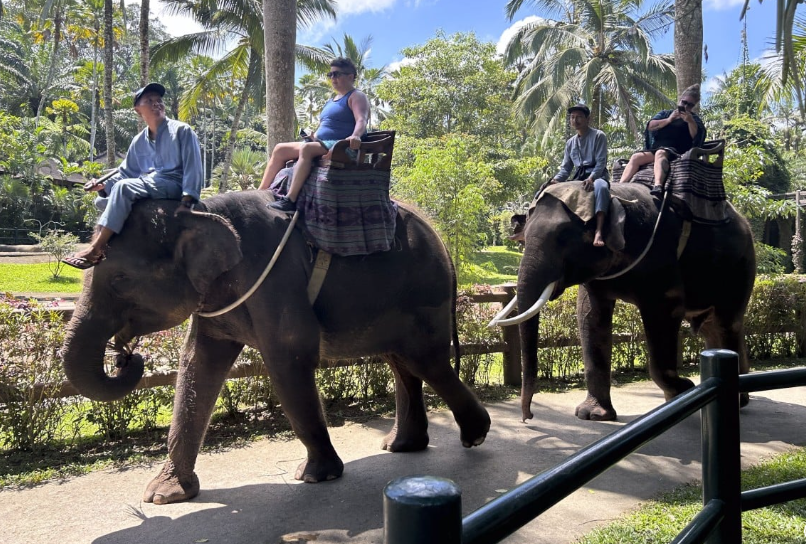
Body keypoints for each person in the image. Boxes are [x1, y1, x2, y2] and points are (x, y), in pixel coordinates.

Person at [61, 82, 203, 269]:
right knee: (101, 202)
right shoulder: (138, 141)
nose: (156, 103)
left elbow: (194, 167)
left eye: (159, 100)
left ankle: (97, 248)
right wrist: (103, 187)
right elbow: (126, 173)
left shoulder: (181, 131)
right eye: (150, 100)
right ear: (138, 110)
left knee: (123, 188)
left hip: (174, 184)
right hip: (151, 184)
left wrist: (188, 201)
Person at [260, 57, 370, 211]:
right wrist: (314, 136)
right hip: (321, 143)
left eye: (337, 74)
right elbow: (327, 126)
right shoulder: (331, 101)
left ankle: (290, 200)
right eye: (330, 75)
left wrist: (356, 135)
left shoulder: (356, 96)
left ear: (350, 76)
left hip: (342, 145)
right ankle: (261, 192)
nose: (333, 78)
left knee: (307, 149)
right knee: (280, 149)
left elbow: (361, 120)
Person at [618, 84, 706, 196]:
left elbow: (696, 136)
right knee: (636, 157)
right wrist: (669, 120)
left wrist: (690, 121)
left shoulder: (694, 120)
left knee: (660, 153)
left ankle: (658, 185)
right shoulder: (665, 114)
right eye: (684, 102)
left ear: (693, 106)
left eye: (690, 105)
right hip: (657, 148)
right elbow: (651, 126)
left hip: (677, 151)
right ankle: (620, 186)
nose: (686, 106)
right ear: (679, 101)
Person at [550, 103, 610, 247]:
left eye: (579, 117)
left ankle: (599, 231)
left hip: (597, 175)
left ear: (587, 119)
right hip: (579, 177)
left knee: (601, 188)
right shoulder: (570, 143)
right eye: (572, 117)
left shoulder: (598, 136)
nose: (575, 120)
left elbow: (601, 163)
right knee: (549, 190)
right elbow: (566, 168)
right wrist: (555, 180)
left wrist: (592, 178)